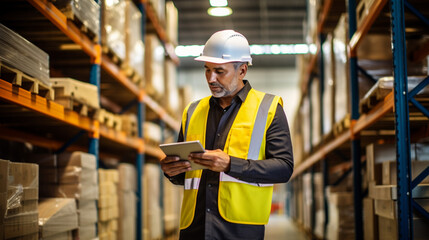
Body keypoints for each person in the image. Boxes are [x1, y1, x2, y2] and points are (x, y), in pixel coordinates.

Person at [160, 29, 294, 240]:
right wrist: (171, 170)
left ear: (242, 70)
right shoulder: (193, 110)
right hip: (194, 228)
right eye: (207, 70)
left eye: (219, 71)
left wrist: (231, 164)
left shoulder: (268, 108)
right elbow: (185, 175)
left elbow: (284, 168)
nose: (211, 78)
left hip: (240, 230)